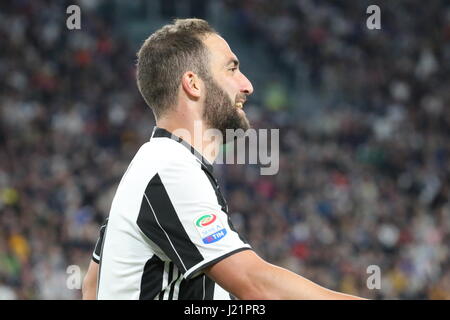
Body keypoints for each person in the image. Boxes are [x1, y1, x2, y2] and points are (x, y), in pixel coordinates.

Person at [82, 18, 365, 300]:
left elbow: (93, 285)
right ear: (193, 84)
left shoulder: (156, 165)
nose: (248, 85)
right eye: (232, 69)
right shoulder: (170, 168)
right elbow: (256, 286)